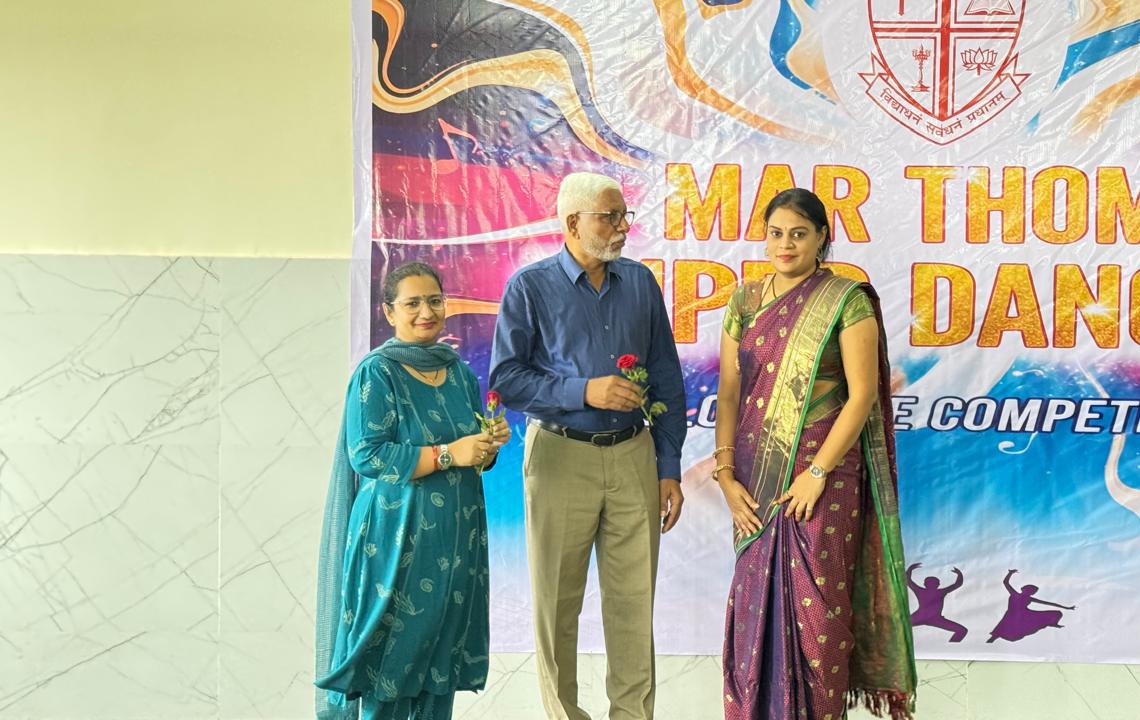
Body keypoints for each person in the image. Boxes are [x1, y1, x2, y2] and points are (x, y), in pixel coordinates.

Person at [490, 171, 687, 720]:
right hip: (559, 456)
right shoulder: (529, 288)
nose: (622, 226)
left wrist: (668, 465)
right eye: (609, 217)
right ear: (573, 222)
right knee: (556, 603)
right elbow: (506, 380)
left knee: (633, 604)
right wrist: (584, 391)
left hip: (633, 454)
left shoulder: (640, 283)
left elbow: (666, 377)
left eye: (624, 215)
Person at [715, 188, 917, 720]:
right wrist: (725, 475)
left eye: (799, 234)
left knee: (819, 619)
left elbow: (863, 394)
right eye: (776, 233)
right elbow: (730, 394)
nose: (786, 244)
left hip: (824, 480)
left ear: (822, 237)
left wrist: (817, 471)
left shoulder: (846, 300)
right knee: (753, 616)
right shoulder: (744, 302)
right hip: (756, 480)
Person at [315, 262, 511, 720]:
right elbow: (367, 454)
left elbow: (470, 454)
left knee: (439, 662)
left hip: (456, 542)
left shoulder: (458, 373)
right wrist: (449, 454)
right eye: (413, 303)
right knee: (390, 662)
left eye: (435, 301)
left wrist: (486, 447)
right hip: (395, 541)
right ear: (389, 312)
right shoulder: (377, 373)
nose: (427, 312)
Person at [986, 569, 1076, 643]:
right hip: (1012, 614)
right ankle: (992, 640)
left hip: (1024, 614)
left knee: (1057, 613)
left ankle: (1052, 623)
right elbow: (1006, 582)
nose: (1030, 592)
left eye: (1032, 592)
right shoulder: (1014, 594)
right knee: (1000, 632)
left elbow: (1049, 603)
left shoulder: (1029, 599)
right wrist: (1010, 573)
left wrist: (1067, 608)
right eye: (1029, 590)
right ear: (1023, 589)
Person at [907, 563, 968, 642]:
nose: (932, 585)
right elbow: (957, 584)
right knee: (962, 630)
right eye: (931, 583)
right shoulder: (937, 592)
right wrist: (959, 574)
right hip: (924, 617)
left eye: (934, 583)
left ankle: (951, 646)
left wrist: (910, 569)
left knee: (962, 630)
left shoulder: (926, 591)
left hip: (931, 618)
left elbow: (908, 581)